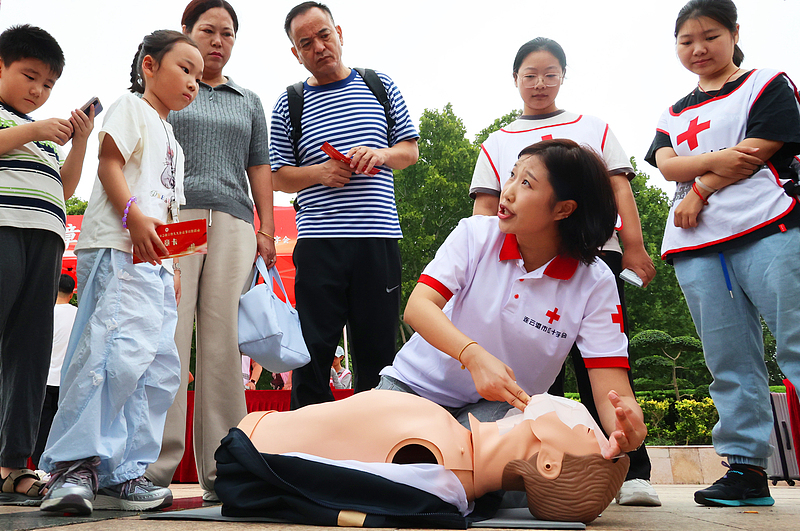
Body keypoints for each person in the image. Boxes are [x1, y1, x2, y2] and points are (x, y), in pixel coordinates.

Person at [469, 37, 659, 506]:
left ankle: (631, 469)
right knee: (535, 371)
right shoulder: (498, 141)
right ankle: (537, 469)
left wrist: (633, 247)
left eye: (550, 74)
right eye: (530, 75)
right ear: (515, 79)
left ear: (563, 77)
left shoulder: (592, 127)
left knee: (605, 365)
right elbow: (486, 208)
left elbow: (620, 188)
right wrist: (476, 261)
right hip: (520, 263)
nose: (540, 83)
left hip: (593, 257)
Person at [379, 139, 647, 470]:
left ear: (563, 209)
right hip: (412, 387)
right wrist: (472, 356)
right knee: (371, 460)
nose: (507, 192)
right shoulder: (476, 235)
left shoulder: (595, 282)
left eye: (526, 183)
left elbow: (613, 392)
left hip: (498, 409)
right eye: (512, 175)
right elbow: (419, 307)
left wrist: (627, 426)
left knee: (466, 470)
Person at [37, 30, 204, 516]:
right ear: (149, 66)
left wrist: (174, 265)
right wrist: (132, 215)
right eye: (184, 69)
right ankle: (73, 466)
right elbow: (109, 164)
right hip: (117, 249)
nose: (192, 82)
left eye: (198, 76)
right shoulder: (130, 106)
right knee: (108, 356)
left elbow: (169, 209)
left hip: (156, 265)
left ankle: (123, 472)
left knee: (155, 368)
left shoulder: (173, 140)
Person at [645, 0, 800, 508]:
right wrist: (717, 160)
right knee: (729, 360)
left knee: (796, 344)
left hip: (769, 227)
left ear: (734, 33)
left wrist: (699, 188)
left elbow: (762, 147)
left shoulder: (766, 83)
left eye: (710, 36)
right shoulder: (673, 112)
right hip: (698, 248)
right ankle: (746, 470)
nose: (698, 48)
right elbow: (666, 165)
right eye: (686, 41)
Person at [146, 0, 276, 503]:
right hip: (177, 216)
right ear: (186, 32)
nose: (218, 41)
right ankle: (152, 470)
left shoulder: (248, 100)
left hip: (235, 221)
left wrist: (266, 229)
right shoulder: (169, 89)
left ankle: (226, 470)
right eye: (207, 30)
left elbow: (259, 166)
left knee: (223, 344)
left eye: (227, 33)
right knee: (171, 335)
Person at [270, 1, 419, 409]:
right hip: (319, 242)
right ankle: (307, 440)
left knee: (379, 352)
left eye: (324, 35)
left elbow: (409, 151)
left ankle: (374, 437)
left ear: (339, 33)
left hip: (377, 238)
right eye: (306, 43)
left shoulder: (379, 85)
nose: (318, 47)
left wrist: (380, 154)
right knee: (312, 351)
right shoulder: (290, 102)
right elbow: (277, 176)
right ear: (295, 53)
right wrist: (319, 173)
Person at [232, 391, 629, 524]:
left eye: (584, 429)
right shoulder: (450, 464)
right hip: (251, 446)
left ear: (548, 463)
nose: (578, 413)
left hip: (251, 445)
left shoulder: (439, 453)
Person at [0, 24, 94, 506]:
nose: (38, 90)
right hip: (4, 228)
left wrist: (79, 142)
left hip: (47, 238)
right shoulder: (26, 128)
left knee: (31, 354)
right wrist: (36, 128)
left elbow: (66, 186)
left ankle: (12, 465)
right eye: (29, 76)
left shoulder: (44, 140)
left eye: (49, 84)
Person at [32, 274, 78, 468]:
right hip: (68, 381)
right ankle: (61, 465)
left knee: (41, 426)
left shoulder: (43, 313)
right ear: (72, 294)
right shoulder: (78, 315)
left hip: (44, 379)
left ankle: (39, 466)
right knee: (64, 426)